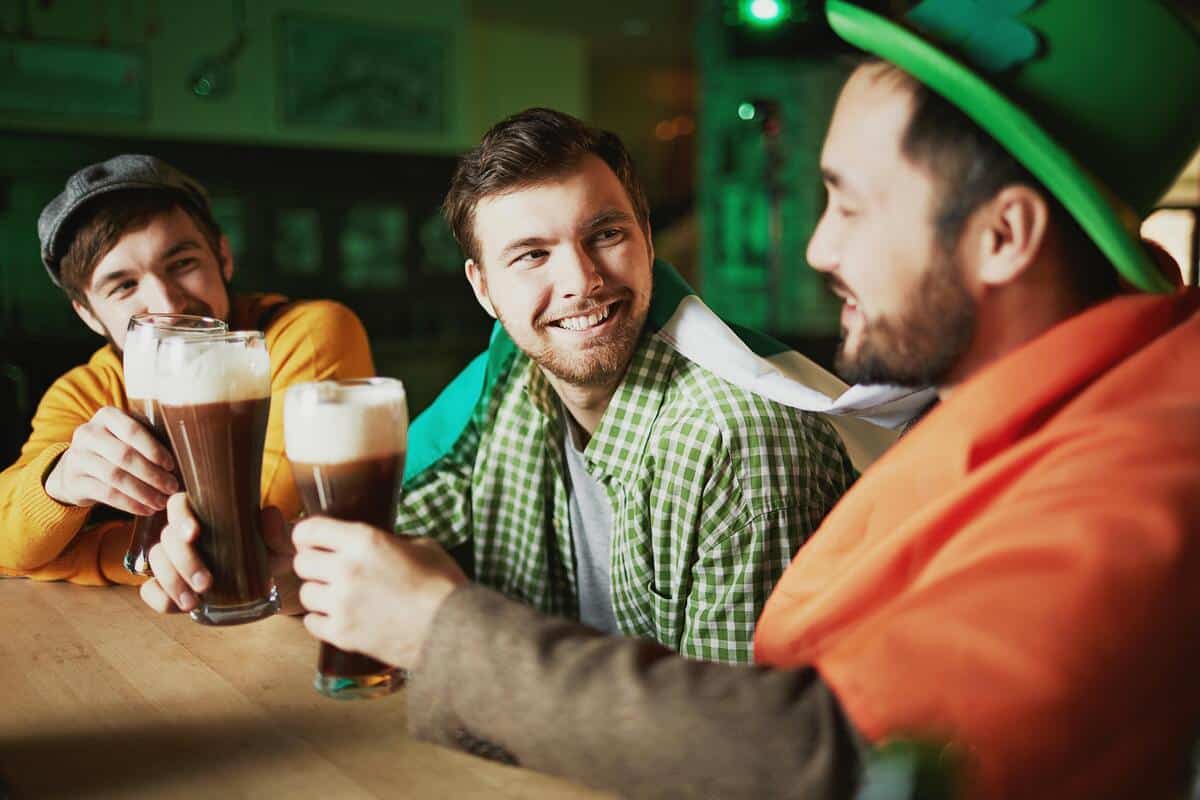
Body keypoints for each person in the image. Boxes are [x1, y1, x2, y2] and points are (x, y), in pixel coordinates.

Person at [269, 1, 1195, 797]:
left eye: (852, 204)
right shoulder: (1028, 407)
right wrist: (271, 553)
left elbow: (833, 761)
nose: (818, 250)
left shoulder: (1138, 483)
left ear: (1004, 236)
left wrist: (440, 630)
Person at [149, 107, 929, 662]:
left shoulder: (742, 445)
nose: (582, 281)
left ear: (649, 242)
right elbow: (399, 539)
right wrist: (276, 566)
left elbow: (739, 749)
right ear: (484, 289)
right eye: (530, 255)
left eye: (607, 234)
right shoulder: (513, 389)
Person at [0, 155, 374, 587]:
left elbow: (245, 539)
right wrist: (60, 484)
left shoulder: (305, 334)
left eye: (182, 264)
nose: (168, 305)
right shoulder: (87, 390)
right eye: (123, 286)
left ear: (223, 256)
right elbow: (7, 541)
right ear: (87, 314)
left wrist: (76, 554)